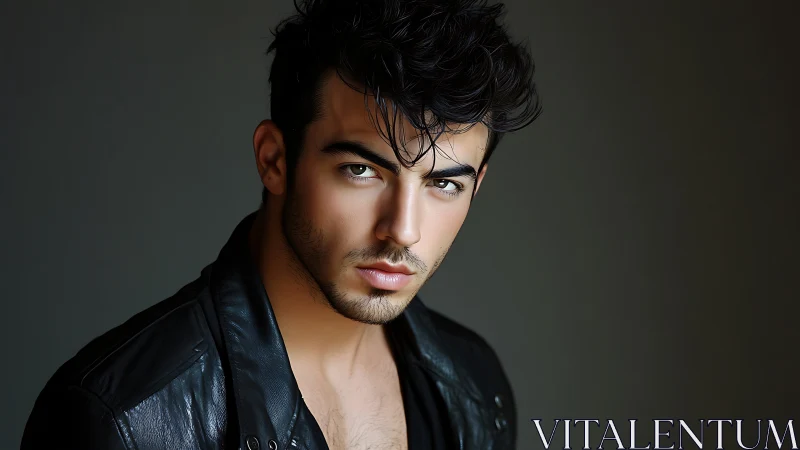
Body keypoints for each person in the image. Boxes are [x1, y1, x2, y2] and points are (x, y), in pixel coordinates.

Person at [21, 0, 541, 448]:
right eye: (361, 171)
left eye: (444, 184)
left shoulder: (474, 387)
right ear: (274, 159)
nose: (403, 231)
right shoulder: (124, 420)